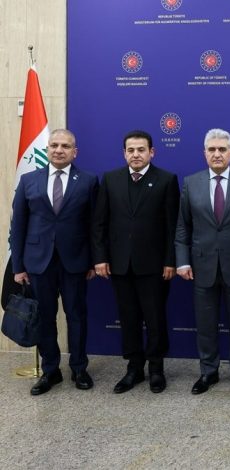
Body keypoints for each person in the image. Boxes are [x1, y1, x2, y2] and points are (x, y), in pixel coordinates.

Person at [10, 129, 98, 395]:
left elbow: (95, 226)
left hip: (75, 262)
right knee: (45, 318)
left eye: (65, 146)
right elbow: (18, 226)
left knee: (77, 316)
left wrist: (94, 262)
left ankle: (79, 368)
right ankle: (51, 370)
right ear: (47, 149)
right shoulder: (28, 180)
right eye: (54, 145)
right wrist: (18, 267)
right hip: (38, 263)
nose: (59, 150)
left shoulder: (88, 181)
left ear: (75, 152)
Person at [91, 130, 179, 394]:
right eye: (130, 150)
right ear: (124, 153)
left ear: (152, 152)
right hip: (119, 264)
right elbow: (99, 223)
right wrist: (100, 258)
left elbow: (172, 226)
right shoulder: (110, 179)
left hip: (154, 266)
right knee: (128, 318)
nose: (136, 154)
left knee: (155, 318)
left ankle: (156, 369)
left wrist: (170, 261)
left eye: (141, 150)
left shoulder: (166, 180)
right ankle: (134, 369)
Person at [175, 128, 230, 395]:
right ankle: (208, 371)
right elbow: (183, 227)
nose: (217, 154)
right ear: (204, 154)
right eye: (212, 150)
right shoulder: (191, 183)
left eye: (222, 149)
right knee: (205, 323)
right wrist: (182, 261)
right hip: (202, 267)